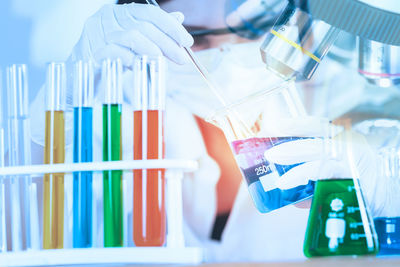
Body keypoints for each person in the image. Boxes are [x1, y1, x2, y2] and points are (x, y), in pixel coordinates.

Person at [24, 0, 398, 262]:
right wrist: (52, 119)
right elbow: (32, 232)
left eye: (250, 31)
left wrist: (388, 194)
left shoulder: (354, 105)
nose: (226, 53)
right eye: (194, 38)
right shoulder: (127, 116)